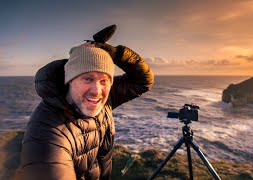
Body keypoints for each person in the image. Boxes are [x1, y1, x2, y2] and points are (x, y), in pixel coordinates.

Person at [16, 41, 154, 179]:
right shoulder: (47, 134)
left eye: (104, 80)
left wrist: (114, 52)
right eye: (87, 78)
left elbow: (143, 80)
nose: (97, 91)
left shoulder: (105, 99)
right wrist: (77, 58)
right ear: (69, 79)